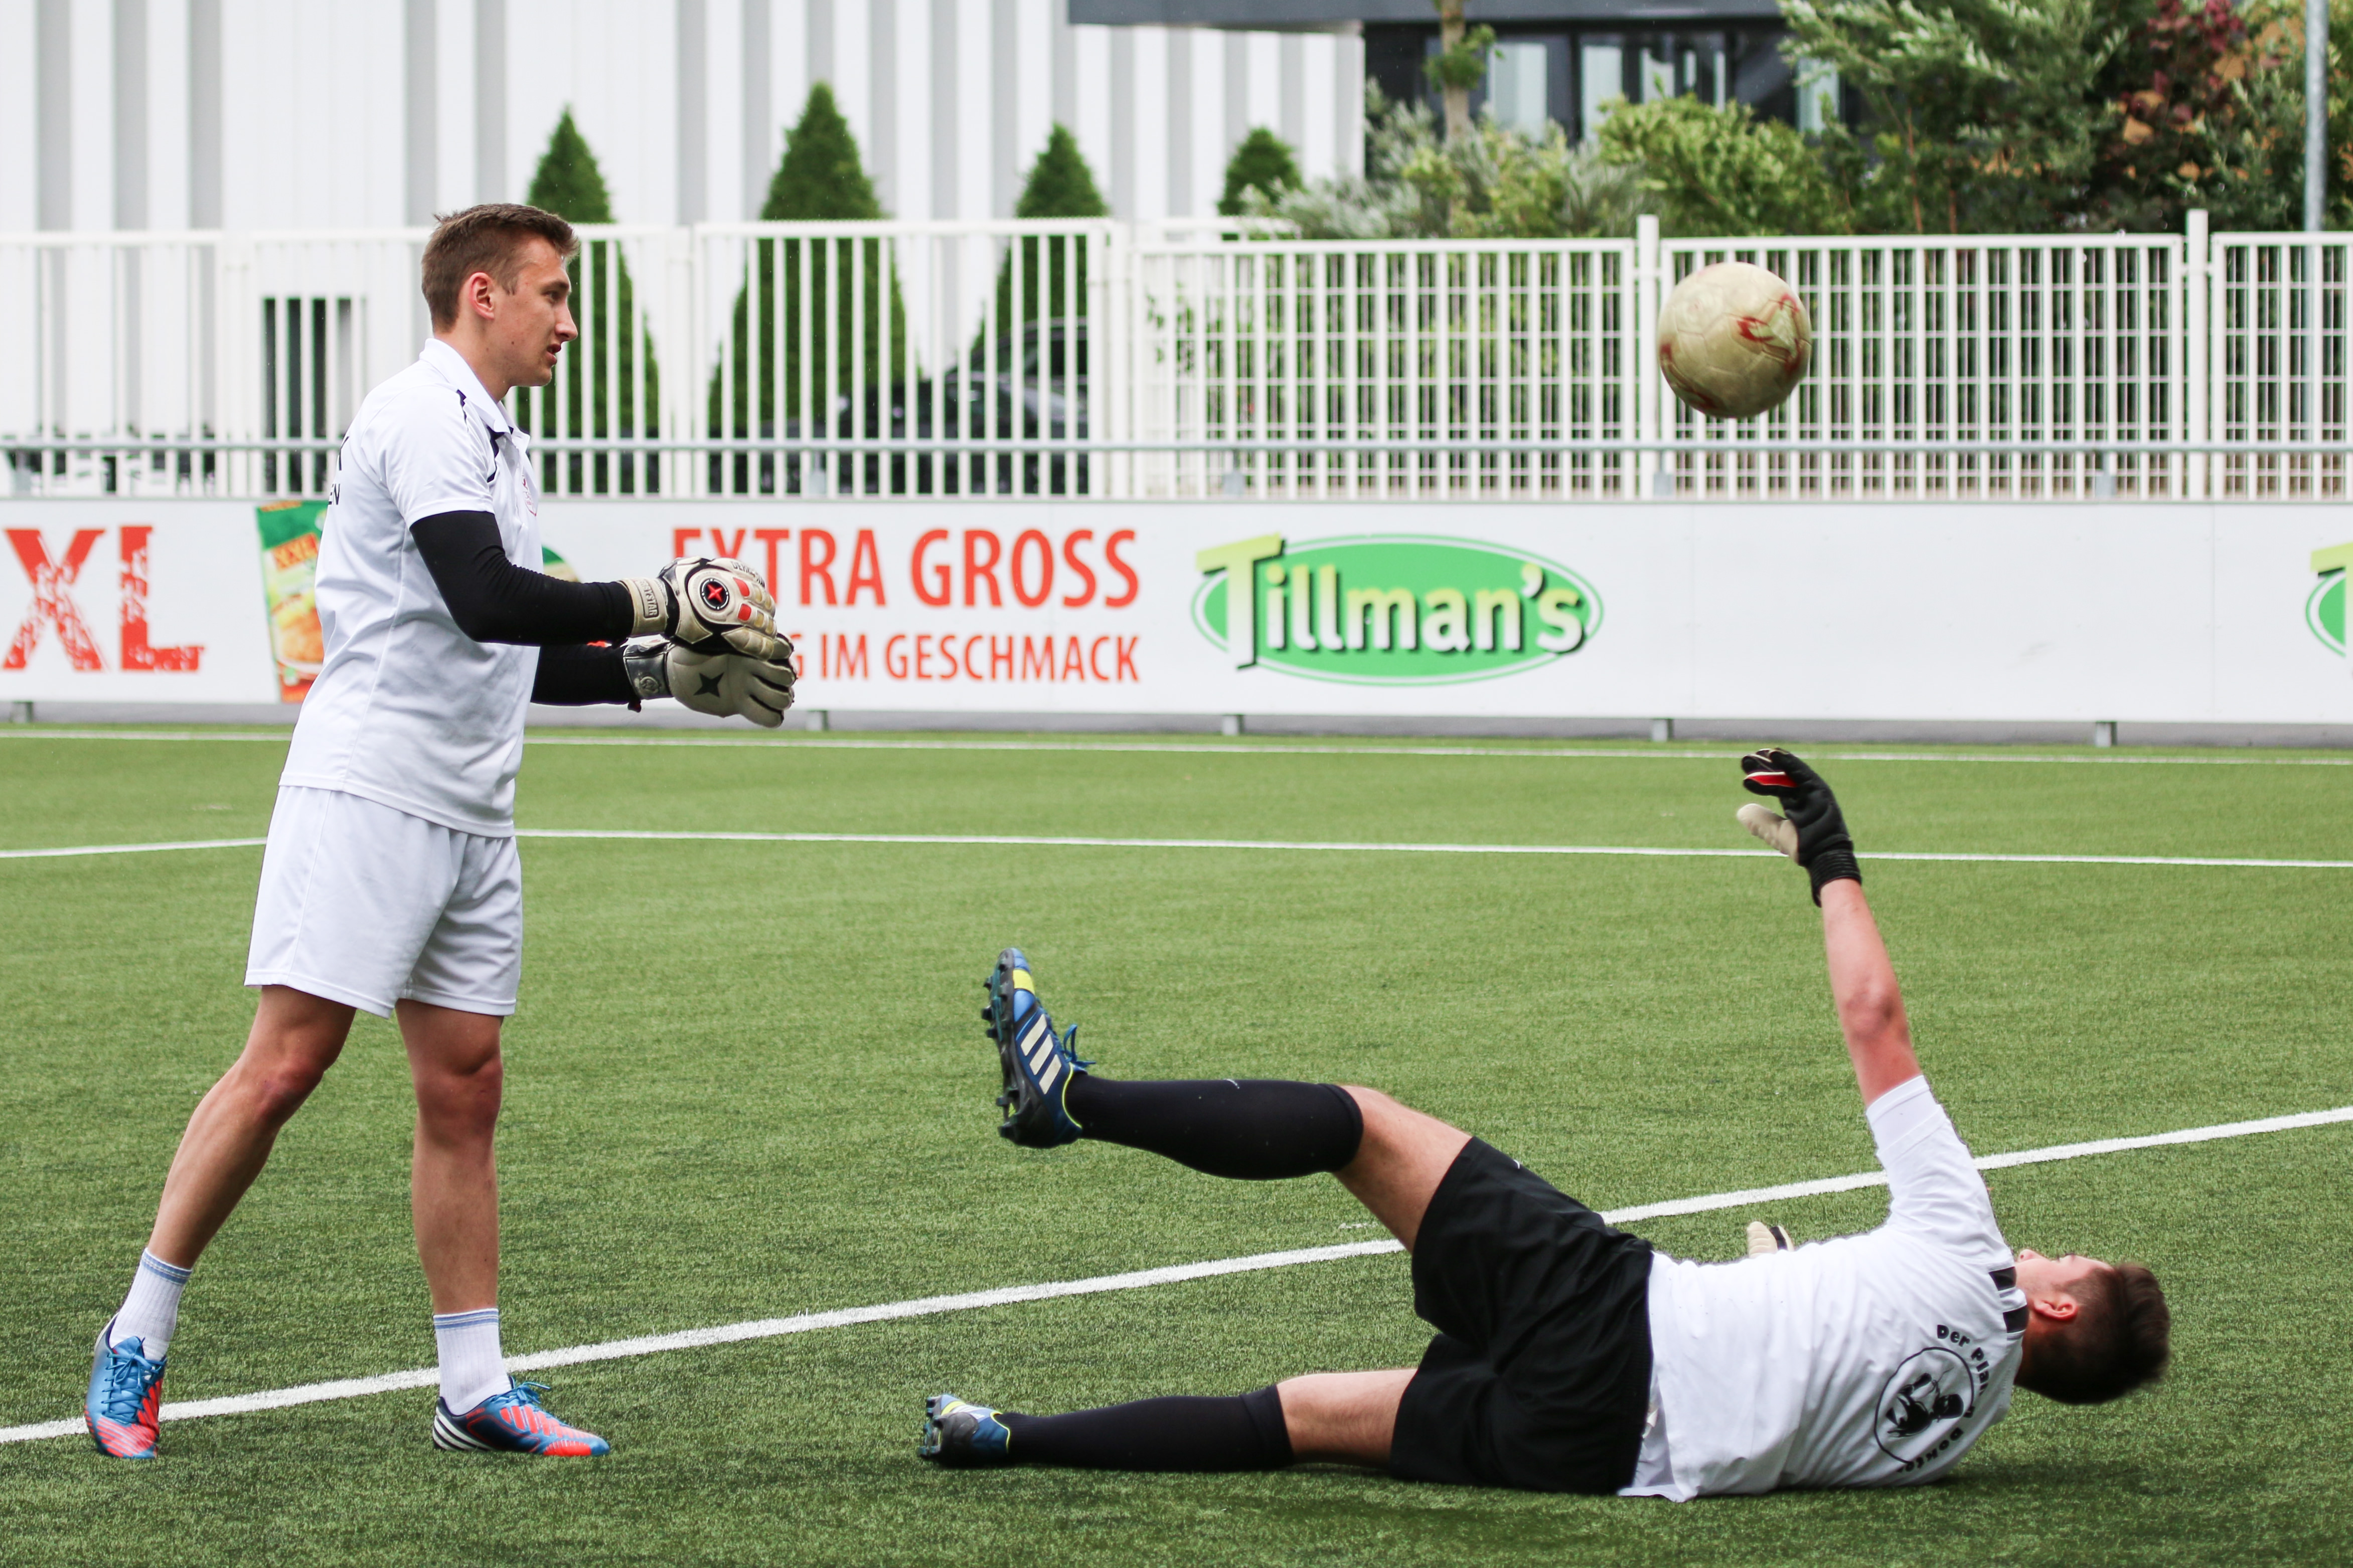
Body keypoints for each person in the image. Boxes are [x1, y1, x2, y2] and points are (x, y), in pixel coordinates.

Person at [919, 750, 2171, 1496]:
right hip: (1599, 1454)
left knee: (1362, 1125)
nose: (2039, 1252)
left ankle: (1072, 1098)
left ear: (2058, 1309)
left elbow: (1875, 1017)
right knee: (1293, 1420)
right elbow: (1815, 1378)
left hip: (1617, 1324)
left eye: (2063, 1261)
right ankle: (1004, 1437)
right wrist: (1781, 1279)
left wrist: (1830, 857)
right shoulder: (1955, 1434)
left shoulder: (1965, 1242)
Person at [84, 203, 796, 1462]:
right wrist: (659, 597)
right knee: (283, 1068)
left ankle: (473, 1388)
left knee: (465, 1087)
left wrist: (658, 674)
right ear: (483, 294)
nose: (567, 321)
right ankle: (135, 1334)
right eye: (553, 294)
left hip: (472, 807)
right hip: (371, 792)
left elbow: (511, 652)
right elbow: (485, 598)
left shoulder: (496, 437)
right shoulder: (419, 412)